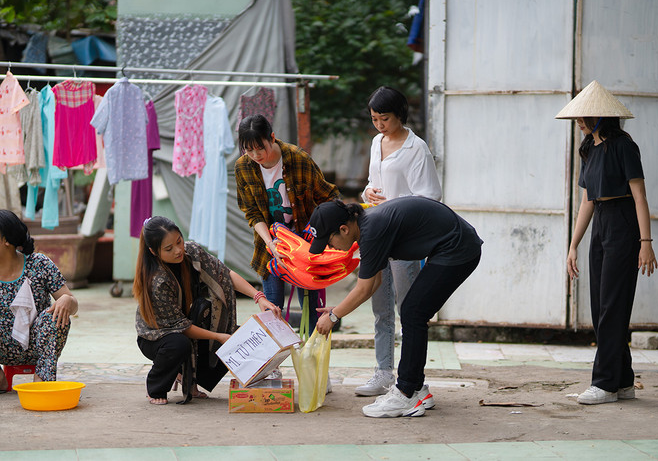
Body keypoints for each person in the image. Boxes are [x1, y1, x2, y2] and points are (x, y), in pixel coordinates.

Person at [310, 198, 483, 417]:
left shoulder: (371, 230)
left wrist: (334, 317)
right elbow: (374, 283)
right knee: (414, 312)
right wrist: (338, 309)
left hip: (457, 248)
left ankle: (406, 393)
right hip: (456, 244)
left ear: (343, 229)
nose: (330, 247)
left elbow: (363, 289)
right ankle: (418, 390)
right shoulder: (367, 226)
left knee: (413, 312)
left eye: (329, 240)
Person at [556, 80, 658, 405]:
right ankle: (623, 381)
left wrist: (646, 242)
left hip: (623, 224)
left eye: (584, 117)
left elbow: (639, 196)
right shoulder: (588, 149)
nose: (580, 123)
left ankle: (603, 384)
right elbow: (587, 200)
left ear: (601, 116)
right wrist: (573, 245)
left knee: (613, 306)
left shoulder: (624, 146)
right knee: (601, 306)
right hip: (601, 223)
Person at [133, 216, 280, 405]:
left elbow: (225, 275)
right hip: (158, 337)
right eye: (169, 249)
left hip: (188, 323)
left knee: (237, 334)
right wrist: (218, 337)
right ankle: (156, 388)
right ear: (154, 252)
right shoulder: (157, 281)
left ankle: (192, 378)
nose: (178, 250)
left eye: (179, 241)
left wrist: (259, 297)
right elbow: (181, 327)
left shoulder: (192, 252)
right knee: (179, 344)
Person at [356, 86, 442, 396]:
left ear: (399, 115)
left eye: (385, 119)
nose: (379, 125)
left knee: (409, 310)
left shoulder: (416, 148)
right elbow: (371, 183)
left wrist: (393, 202)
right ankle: (383, 372)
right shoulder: (377, 142)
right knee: (381, 307)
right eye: (375, 119)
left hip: (405, 237)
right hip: (378, 233)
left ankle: (411, 377)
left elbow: (430, 196)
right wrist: (369, 193)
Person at [234, 114, 340, 335]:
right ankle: (273, 368)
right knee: (272, 309)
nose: (255, 155)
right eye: (248, 150)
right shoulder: (243, 167)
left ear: (272, 137)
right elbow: (252, 212)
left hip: (307, 246)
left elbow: (329, 196)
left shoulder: (298, 158)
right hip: (271, 247)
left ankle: (314, 366)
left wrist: (319, 237)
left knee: (312, 308)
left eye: (259, 148)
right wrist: (271, 243)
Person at [0, 209, 78, 392]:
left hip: (38, 346)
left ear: (6, 241)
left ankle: (42, 378)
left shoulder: (39, 264)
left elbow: (73, 305)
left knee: (55, 317)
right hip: (2, 347)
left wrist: (67, 300)